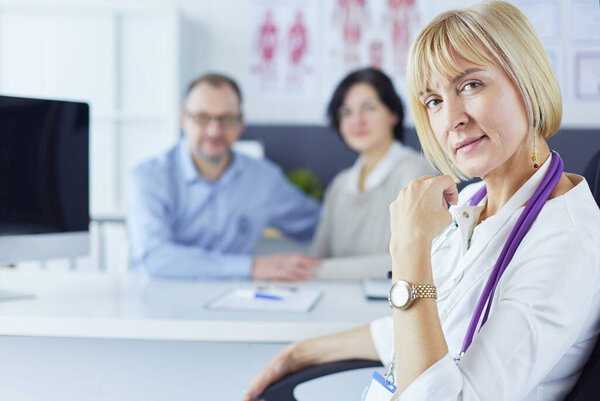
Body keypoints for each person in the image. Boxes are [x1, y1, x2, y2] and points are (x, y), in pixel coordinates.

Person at [243, 2, 600, 400]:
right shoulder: (474, 200)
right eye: (434, 101)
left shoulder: (565, 239)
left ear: (528, 81)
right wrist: (301, 352)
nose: (452, 118)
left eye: (471, 85)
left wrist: (408, 248)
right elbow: (430, 325)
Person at [128, 73, 321, 281]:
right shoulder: (150, 177)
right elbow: (155, 258)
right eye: (202, 118)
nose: (214, 130)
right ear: (183, 119)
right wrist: (251, 267)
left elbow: (318, 225)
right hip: (157, 304)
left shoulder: (263, 179)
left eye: (226, 119)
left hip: (235, 304)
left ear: (241, 122)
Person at [310, 67, 432, 259]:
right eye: (346, 112)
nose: (357, 120)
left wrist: (318, 271)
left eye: (369, 108)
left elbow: (409, 262)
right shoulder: (339, 186)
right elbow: (316, 259)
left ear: (394, 113)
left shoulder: (415, 173)